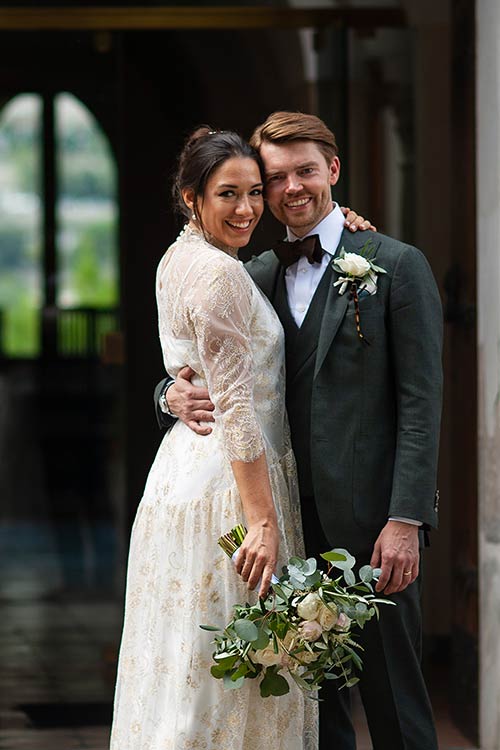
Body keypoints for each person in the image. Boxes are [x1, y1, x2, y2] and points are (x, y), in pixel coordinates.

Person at [159, 112, 443, 750]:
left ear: (333, 171)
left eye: (304, 171)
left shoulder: (396, 265)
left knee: (397, 706)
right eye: (273, 177)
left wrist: (406, 520)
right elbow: (212, 372)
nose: (289, 190)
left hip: (373, 531)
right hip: (283, 525)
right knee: (310, 718)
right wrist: (167, 394)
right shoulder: (249, 274)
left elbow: (422, 405)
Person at [110, 127, 321, 749]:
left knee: (184, 666)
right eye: (228, 193)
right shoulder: (219, 276)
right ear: (190, 197)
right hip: (231, 490)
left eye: (256, 192)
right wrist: (261, 521)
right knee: (235, 670)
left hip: (181, 475)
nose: (248, 209)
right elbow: (234, 405)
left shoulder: (178, 259)